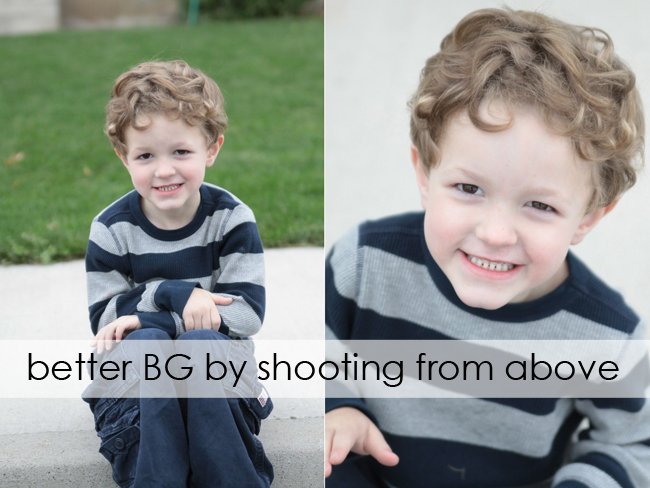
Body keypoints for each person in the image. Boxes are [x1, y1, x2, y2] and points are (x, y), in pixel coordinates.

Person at [325, 8, 650, 488]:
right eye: (469, 189)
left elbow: (633, 444)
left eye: (539, 204)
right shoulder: (367, 264)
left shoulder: (607, 339)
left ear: (588, 217)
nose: (497, 233)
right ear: (424, 174)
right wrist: (339, 406)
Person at [82, 60, 273, 487]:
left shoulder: (231, 219)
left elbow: (245, 314)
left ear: (212, 148)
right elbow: (108, 323)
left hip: (217, 390)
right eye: (146, 155)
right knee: (143, 345)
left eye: (181, 152)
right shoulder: (111, 229)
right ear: (122, 156)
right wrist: (174, 294)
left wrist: (152, 314)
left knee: (203, 343)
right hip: (138, 396)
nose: (164, 170)